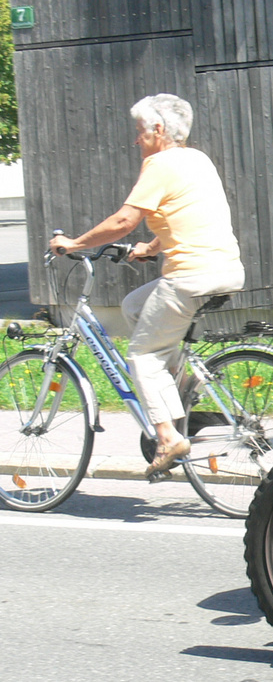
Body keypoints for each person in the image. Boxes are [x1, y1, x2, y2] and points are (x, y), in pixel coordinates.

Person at [49, 94, 245, 475]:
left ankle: (168, 436)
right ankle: (181, 388)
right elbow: (186, 215)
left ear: (158, 130)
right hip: (225, 269)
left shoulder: (160, 164)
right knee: (135, 306)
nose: (136, 141)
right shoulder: (197, 159)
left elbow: (124, 221)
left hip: (190, 276)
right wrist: (151, 248)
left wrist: (72, 244)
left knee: (142, 355)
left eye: (139, 132)